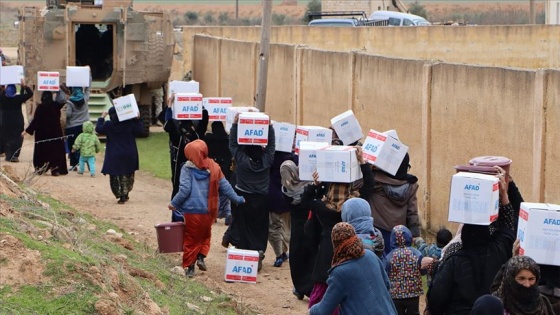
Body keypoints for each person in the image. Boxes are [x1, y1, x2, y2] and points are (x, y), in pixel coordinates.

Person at [427, 167, 516, 315]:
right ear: (488, 234)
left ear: (463, 236)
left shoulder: (453, 262)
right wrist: (504, 194)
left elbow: (436, 300)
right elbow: (508, 228)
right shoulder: (498, 251)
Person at [305, 146, 376, 313]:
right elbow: (369, 187)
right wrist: (362, 163)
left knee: (323, 293)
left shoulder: (322, 207)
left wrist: (315, 184)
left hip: (325, 254)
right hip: (347, 253)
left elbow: (305, 200)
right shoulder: (353, 206)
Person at [168, 140, 245, 278]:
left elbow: (185, 190)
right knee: (205, 234)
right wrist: (238, 199)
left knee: (191, 238)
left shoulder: (187, 168)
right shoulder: (214, 167)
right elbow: (226, 187)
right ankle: (201, 256)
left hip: (192, 211)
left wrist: (174, 203)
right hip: (209, 210)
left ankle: (190, 267)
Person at [221, 112, 275, 272]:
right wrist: (269, 127)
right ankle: (258, 251)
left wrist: (235, 125)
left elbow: (233, 145)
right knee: (259, 226)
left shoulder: (242, 161)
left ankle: (244, 253)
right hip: (261, 198)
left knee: (243, 225)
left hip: (243, 197)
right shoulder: (267, 161)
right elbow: (271, 146)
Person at [308, 222, 397, 315]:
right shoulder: (371, 255)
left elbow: (323, 310)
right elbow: (387, 284)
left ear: (335, 244)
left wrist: (311, 311)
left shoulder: (339, 273)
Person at [367, 153, 421, 255]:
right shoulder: (411, 184)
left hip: (378, 229)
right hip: (399, 233)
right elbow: (412, 211)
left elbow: (355, 184)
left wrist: (368, 167)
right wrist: (415, 233)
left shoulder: (374, 181)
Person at [280, 160, 316, 300]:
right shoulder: (308, 186)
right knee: (309, 258)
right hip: (309, 227)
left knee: (298, 260)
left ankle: (300, 288)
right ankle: (308, 288)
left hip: (297, 231)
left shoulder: (286, 190)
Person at [163, 99, 209, 202]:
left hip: (179, 166)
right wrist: (197, 103)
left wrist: (170, 105)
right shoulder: (197, 137)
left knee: (178, 185)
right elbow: (204, 118)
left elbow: (168, 124)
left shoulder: (176, 138)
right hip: (194, 169)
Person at [95, 107, 142, 204]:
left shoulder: (109, 125)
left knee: (115, 176)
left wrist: (102, 117)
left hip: (114, 155)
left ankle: (120, 194)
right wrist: (137, 119)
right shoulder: (130, 124)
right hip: (129, 153)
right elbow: (140, 131)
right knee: (128, 174)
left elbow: (98, 129)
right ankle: (126, 192)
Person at [21, 90, 68, 176]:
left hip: (42, 133)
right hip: (55, 132)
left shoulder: (40, 107)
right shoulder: (56, 106)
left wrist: (27, 131)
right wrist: (58, 90)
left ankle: (40, 168)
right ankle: (55, 169)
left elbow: (36, 121)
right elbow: (63, 100)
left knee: (42, 151)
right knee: (55, 151)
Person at [386, 225, 425, 315]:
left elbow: (386, 273)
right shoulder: (416, 254)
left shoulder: (390, 256)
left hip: (396, 294)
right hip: (413, 293)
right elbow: (423, 271)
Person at [268, 151, 295, 267]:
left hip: (272, 196)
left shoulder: (270, 158)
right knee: (287, 227)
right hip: (288, 196)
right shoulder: (294, 159)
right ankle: (285, 251)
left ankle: (279, 254)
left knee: (273, 227)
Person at [205, 121, 233, 225]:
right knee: (226, 191)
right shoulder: (228, 138)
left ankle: (214, 214)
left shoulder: (209, 138)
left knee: (213, 192)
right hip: (226, 167)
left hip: (213, 167)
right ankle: (228, 212)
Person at [0, 80, 33, 162]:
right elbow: (30, 94)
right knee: (18, 138)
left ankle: (8, 155)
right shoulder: (18, 98)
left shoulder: (2, 98)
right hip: (17, 121)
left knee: (7, 138)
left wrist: (1, 87)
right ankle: (15, 155)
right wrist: (24, 86)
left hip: (5, 121)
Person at [62, 85, 90, 170]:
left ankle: (74, 165)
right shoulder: (85, 98)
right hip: (84, 126)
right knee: (83, 145)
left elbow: (69, 114)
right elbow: (88, 89)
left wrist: (64, 111)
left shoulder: (70, 102)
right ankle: (87, 163)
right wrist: (89, 77)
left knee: (73, 146)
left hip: (72, 127)